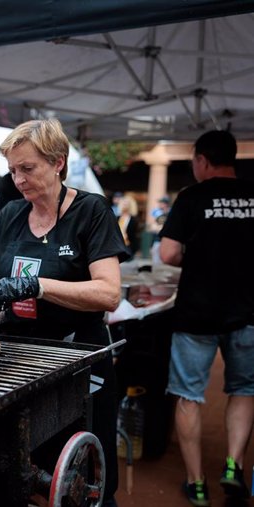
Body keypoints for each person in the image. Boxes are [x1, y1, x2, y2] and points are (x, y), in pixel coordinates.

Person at [0, 118, 129, 507]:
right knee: (7, 463)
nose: (19, 179)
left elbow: (108, 293)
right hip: (18, 358)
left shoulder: (91, 212)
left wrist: (39, 285)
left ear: (58, 163)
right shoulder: (12, 214)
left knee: (83, 474)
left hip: (76, 356)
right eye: (13, 170)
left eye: (27, 168)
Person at [159, 130, 254, 506]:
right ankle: (233, 466)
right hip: (248, 310)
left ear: (202, 160)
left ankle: (196, 484)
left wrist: (195, 257)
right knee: (244, 389)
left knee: (188, 395)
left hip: (196, 312)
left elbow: (166, 254)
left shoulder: (191, 197)